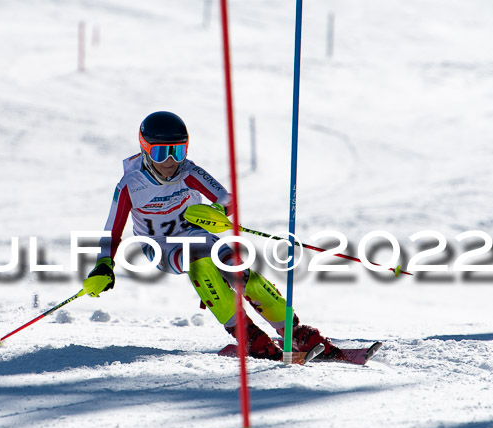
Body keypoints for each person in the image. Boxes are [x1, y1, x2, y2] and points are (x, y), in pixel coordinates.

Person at [82, 111, 341, 360]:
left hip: (195, 234)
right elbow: (112, 231)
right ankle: (248, 335)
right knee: (201, 261)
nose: (170, 161)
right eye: (161, 153)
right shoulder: (131, 184)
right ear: (145, 150)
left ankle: (293, 332)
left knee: (236, 267)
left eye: (178, 150)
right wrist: (104, 264)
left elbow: (227, 199)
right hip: (160, 247)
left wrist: (217, 210)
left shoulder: (188, 172)